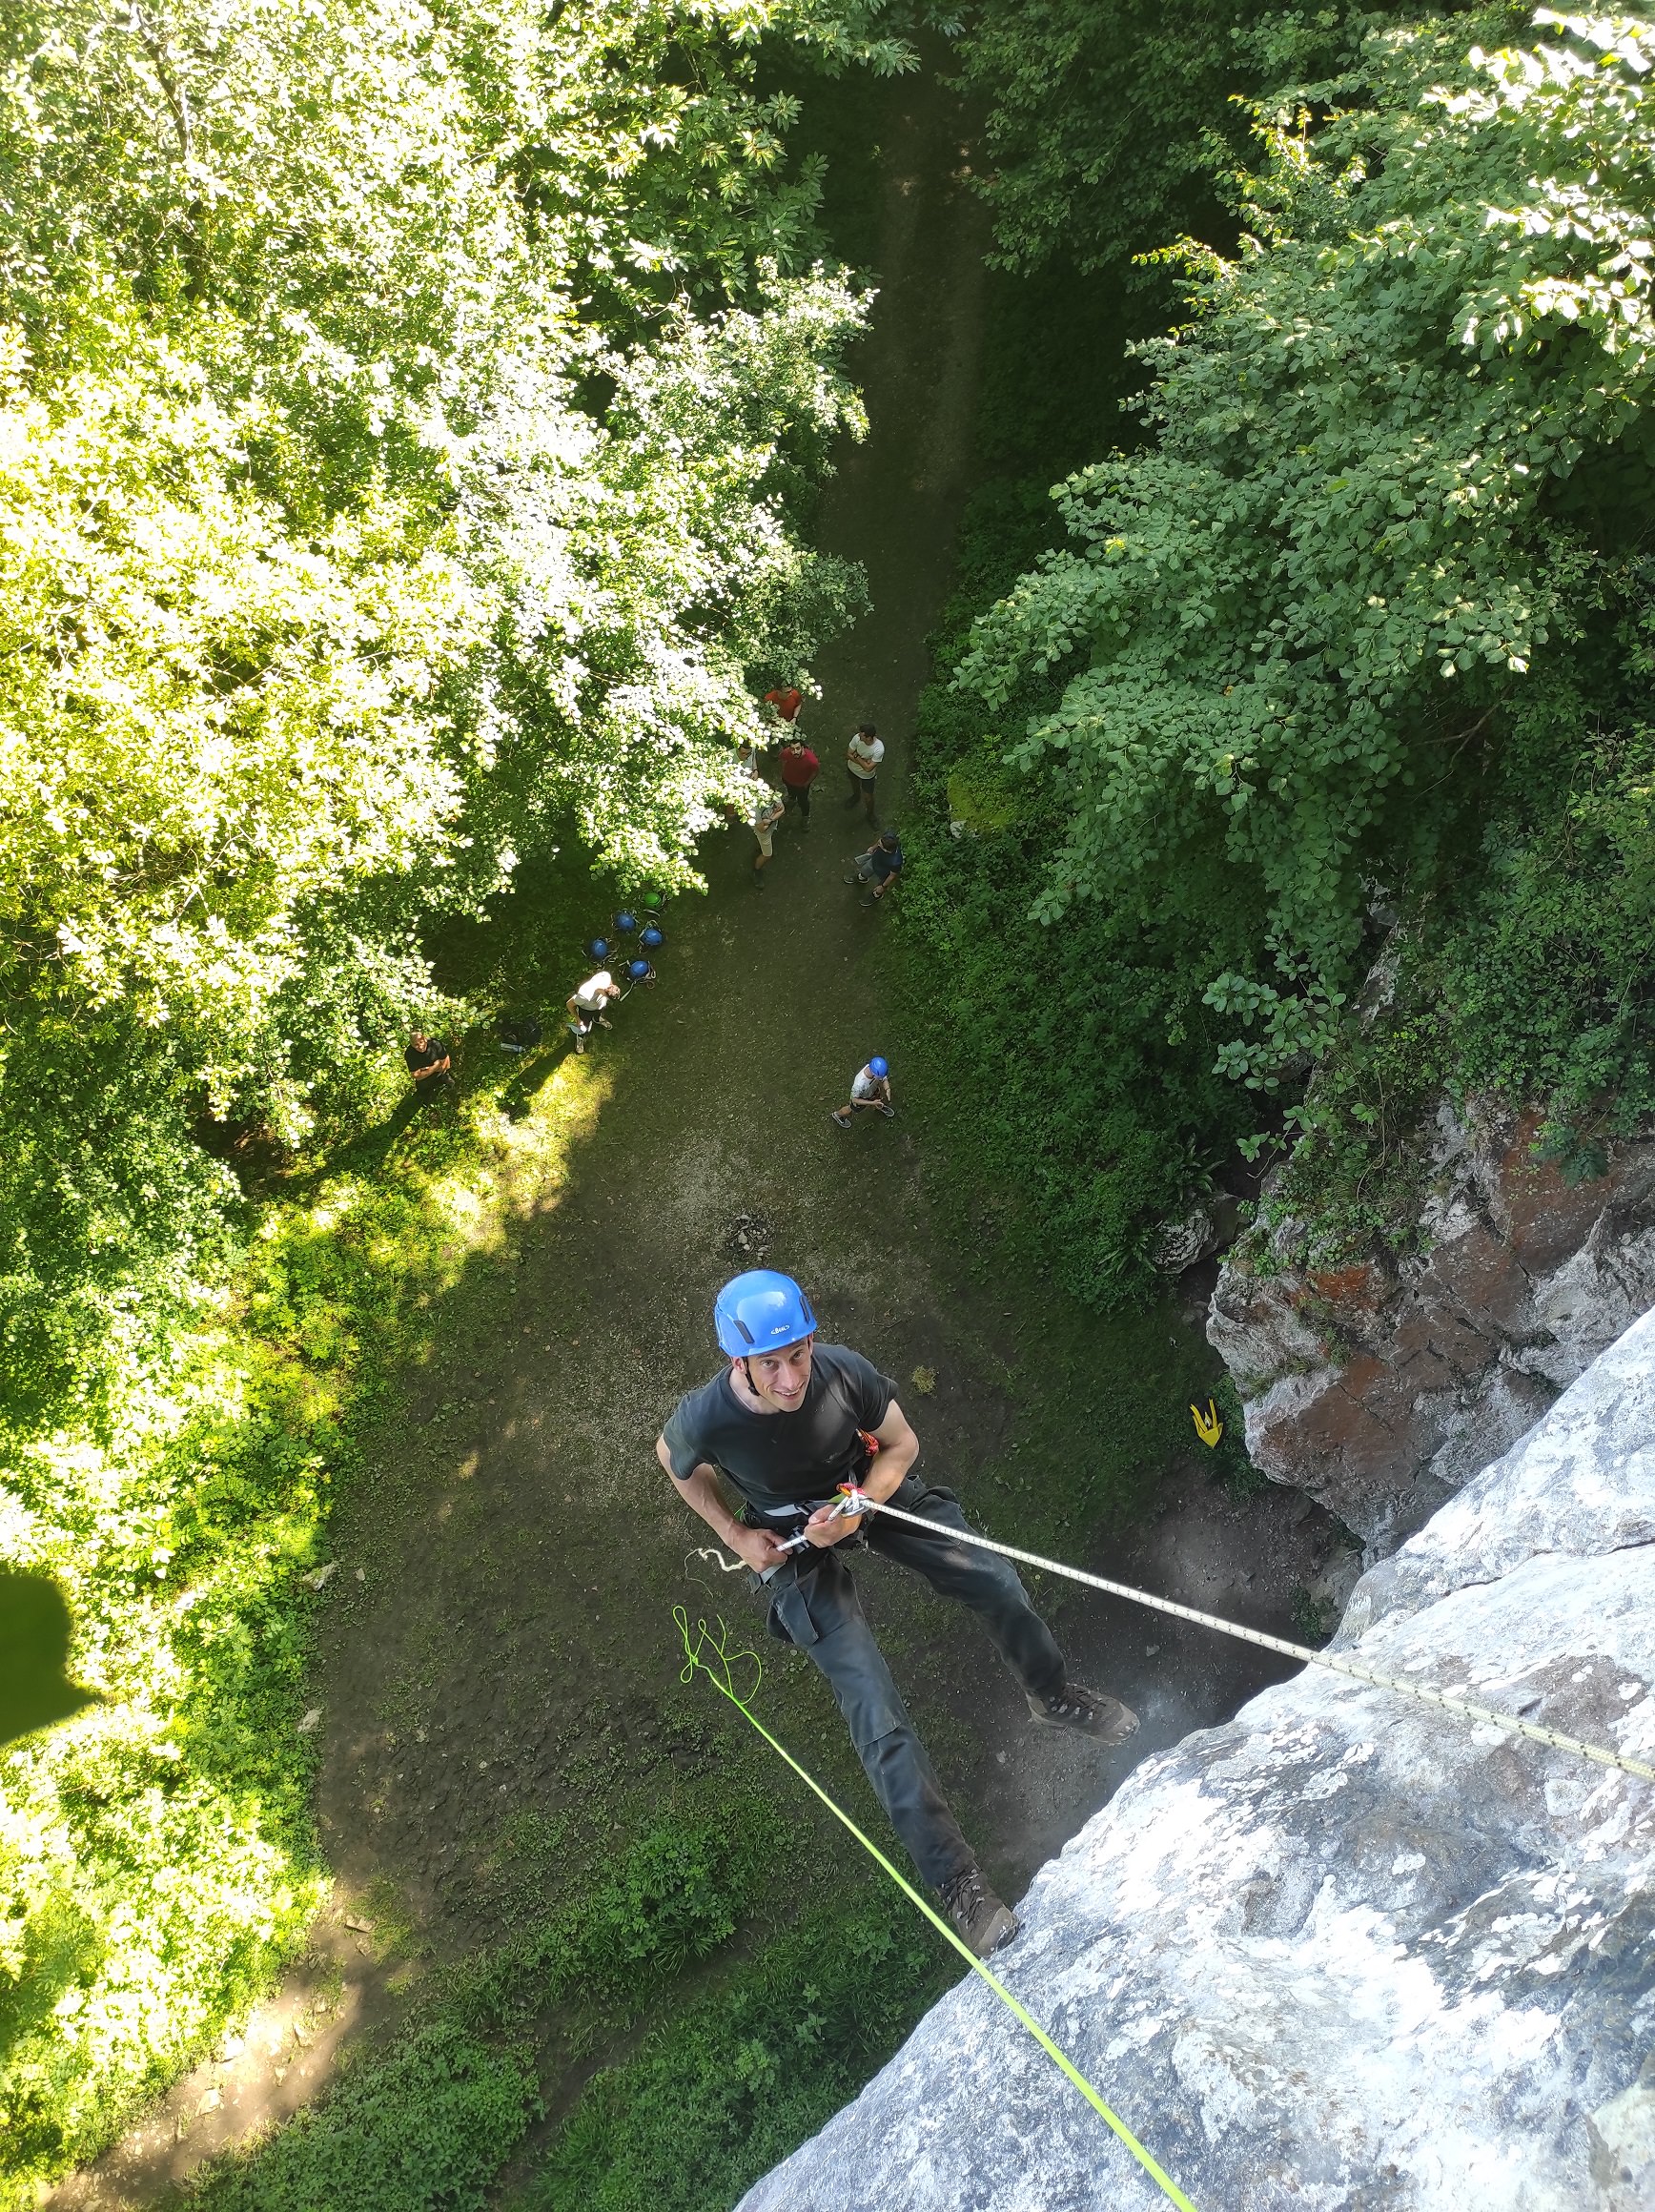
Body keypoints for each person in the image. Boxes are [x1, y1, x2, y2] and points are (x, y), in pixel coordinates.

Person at [656, 1272, 1138, 1957]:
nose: (792, 1378)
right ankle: (960, 1887)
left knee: (995, 1580)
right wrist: (737, 1536)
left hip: (865, 1490)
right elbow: (673, 1461)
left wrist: (860, 1502)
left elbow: (903, 1445)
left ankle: (1052, 1695)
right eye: (772, 1363)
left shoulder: (842, 1374)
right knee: (874, 1712)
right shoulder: (709, 1415)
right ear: (741, 1363)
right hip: (789, 1540)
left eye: (798, 1354)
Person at [830, 1055, 894, 1129]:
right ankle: (837, 1115)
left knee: (878, 1100)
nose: (881, 1078)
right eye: (879, 1077)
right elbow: (855, 1099)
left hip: (872, 1091)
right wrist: (872, 1103)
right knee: (850, 1109)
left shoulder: (876, 1071)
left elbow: (884, 1079)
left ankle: (879, 1106)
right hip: (861, 1098)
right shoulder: (859, 1084)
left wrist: (888, 1089)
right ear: (874, 1074)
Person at [565, 966, 621, 1052]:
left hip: (598, 1006)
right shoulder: (585, 994)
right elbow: (569, 1005)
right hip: (586, 1010)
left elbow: (610, 982)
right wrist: (578, 1019)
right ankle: (580, 1038)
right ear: (604, 992)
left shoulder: (606, 976)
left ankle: (597, 1019)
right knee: (584, 1026)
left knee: (598, 1014)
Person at [844, 830, 903, 905]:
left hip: (884, 872)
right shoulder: (889, 836)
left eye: (880, 845)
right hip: (874, 861)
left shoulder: (896, 862)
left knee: (879, 888)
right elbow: (879, 841)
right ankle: (862, 878)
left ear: (885, 850)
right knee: (865, 870)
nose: (879, 844)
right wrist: (873, 848)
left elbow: (892, 876)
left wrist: (883, 886)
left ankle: (876, 895)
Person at [844, 721, 884, 822]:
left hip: (867, 776)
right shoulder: (857, 738)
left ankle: (870, 814)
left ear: (869, 738)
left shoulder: (878, 749)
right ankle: (856, 797)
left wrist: (856, 755)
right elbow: (848, 754)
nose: (859, 736)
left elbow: (868, 769)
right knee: (854, 784)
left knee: (868, 797)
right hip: (852, 769)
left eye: (862, 736)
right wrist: (864, 761)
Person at [779, 734, 820, 830]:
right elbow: (782, 760)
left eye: (797, 748)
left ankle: (805, 817)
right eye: (792, 749)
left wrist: (807, 783)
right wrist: (784, 773)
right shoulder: (786, 753)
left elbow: (815, 772)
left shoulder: (811, 760)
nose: (795, 752)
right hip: (788, 780)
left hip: (801, 785)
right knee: (791, 793)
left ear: (802, 747)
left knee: (803, 802)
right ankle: (792, 800)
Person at [750, 781, 786, 890]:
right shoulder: (754, 809)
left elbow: (782, 810)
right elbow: (761, 829)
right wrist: (774, 815)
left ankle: (760, 848)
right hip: (764, 833)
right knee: (767, 855)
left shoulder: (773, 794)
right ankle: (756, 870)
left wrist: (769, 819)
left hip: (769, 826)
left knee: (767, 839)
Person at [405, 1029, 455, 1101]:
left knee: (452, 1085)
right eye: (416, 1045)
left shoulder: (435, 1044)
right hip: (424, 1081)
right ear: (412, 1045)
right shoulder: (410, 1054)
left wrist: (425, 1070)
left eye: (421, 1042)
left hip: (440, 1074)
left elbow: (447, 1065)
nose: (420, 1047)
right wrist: (435, 1066)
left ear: (425, 1039)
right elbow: (416, 1076)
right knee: (424, 1098)